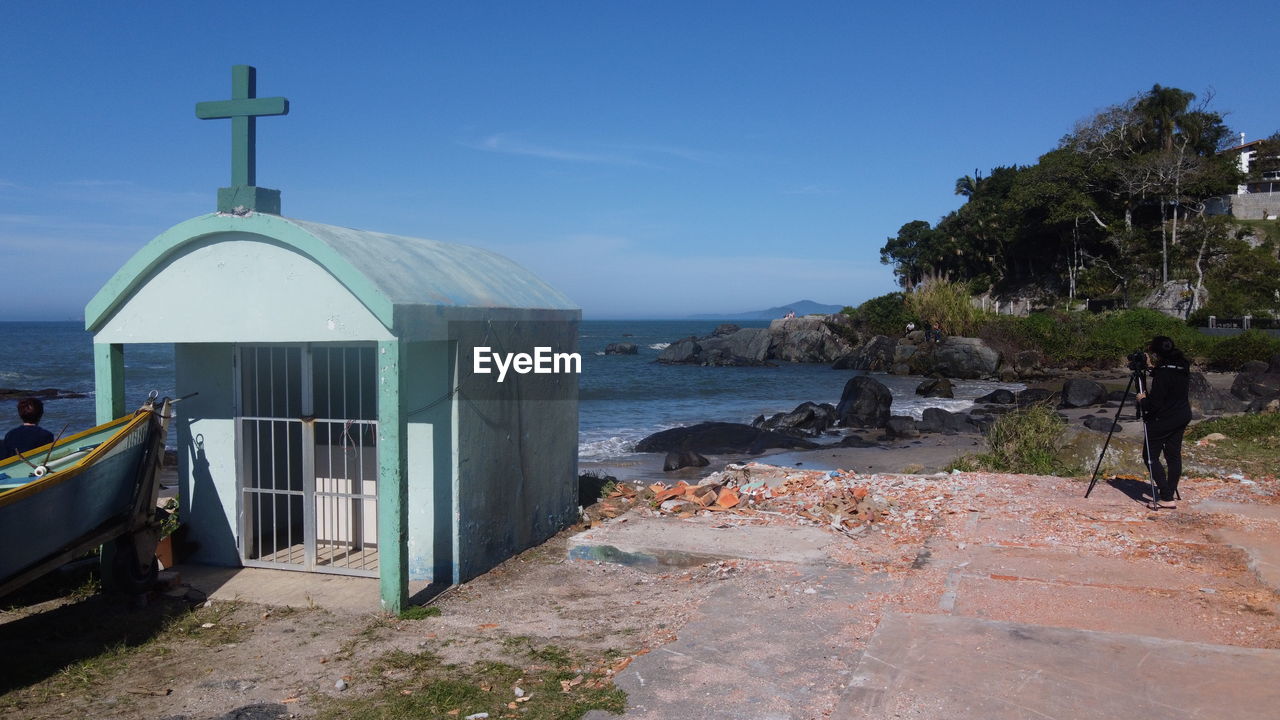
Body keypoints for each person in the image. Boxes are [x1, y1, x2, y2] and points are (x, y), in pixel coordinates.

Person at [1136, 336, 1192, 509]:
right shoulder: (1183, 365)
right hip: (1182, 415)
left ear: (1156, 353)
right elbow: (1169, 375)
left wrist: (1142, 399)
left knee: (1150, 456)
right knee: (1173, 455)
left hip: (1164, 419)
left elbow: (1154, 404)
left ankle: (1166, 497)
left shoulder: (1164, 373)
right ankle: (1170, 492)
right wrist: (1152, 368)